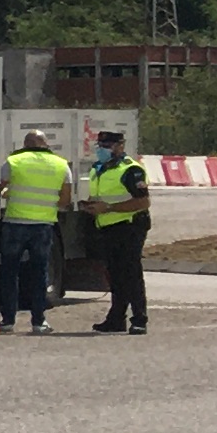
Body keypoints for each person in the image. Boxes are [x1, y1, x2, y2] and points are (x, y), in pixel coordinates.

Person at [0, 127, 73, 333]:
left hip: (15, 223)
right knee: (39, 273)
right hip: (43, 225)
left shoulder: (13, 162)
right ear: (46, 145)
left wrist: (10, 193)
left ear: (25, 145)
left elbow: (1, 190)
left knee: (9, 272)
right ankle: (39, 321)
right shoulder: (61, 165)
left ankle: (7, 321)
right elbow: (66, 200)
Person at [84, 127, 152, 335]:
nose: (103, 150)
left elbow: (143, 201)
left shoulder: (131, 170)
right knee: (114, 275)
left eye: (108, 146)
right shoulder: (98, 168)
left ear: (120, 147)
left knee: (131, 273)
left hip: (129, 225)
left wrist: (109, 208)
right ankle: (116, 318)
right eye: (100, 146)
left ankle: (139, 319)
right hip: (107, 226)